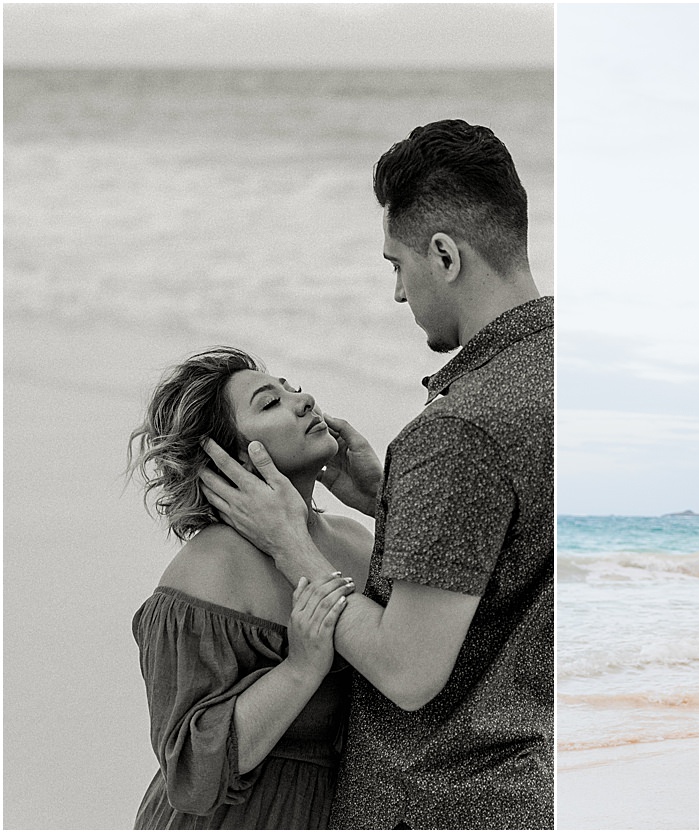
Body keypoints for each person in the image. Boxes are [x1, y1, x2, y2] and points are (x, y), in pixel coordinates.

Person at [197, 119, 553, 829]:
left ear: (445, 255)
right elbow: (515, 554)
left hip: (431, 805)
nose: (397, 292)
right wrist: (388, 502)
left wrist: (290, 542)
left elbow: (409, 670)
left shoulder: (458, 429)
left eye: (398, 264)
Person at [128, 347, 369, 828]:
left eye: (291, 387)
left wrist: (384, 498)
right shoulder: (209, 570)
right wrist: (300, 669)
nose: (304, 401)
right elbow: (191, 769)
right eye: (269, 403)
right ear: (232, 457)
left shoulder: (358, 541)